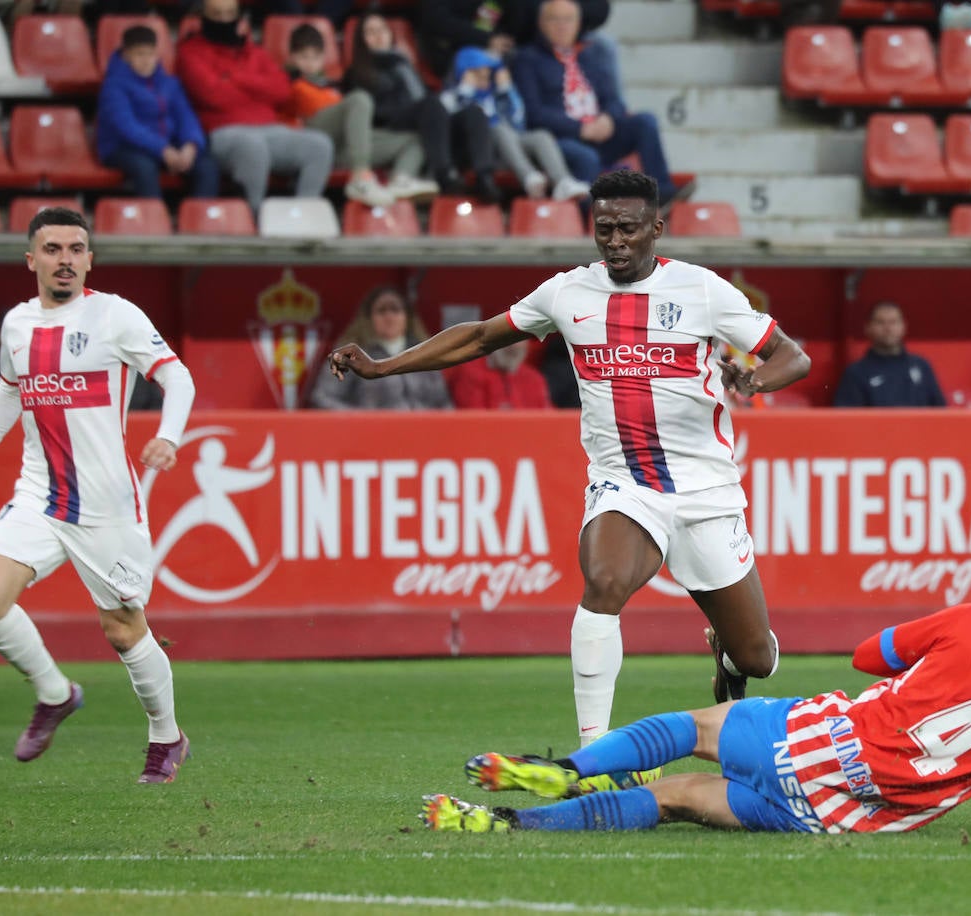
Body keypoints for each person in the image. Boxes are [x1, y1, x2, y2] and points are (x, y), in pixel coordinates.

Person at [327, 170, 811, 773]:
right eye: (604, 228)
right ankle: (594, 757)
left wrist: (753, 379)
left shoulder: (704, 291)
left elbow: (793, 355)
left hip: (707, 489)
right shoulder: (567, 293)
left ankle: (729, 660)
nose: (614, 241)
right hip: (624, 482)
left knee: (758, 656)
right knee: (604, 582)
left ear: (656, 229)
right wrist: (381, 368)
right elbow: (479, 336)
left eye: (628, 229)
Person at [422, 556, 971, 836]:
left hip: (819, 741)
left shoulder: (970, 623)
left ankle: (568, 770)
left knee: (689, 726)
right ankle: (508, 825)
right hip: (845, 815)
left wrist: (911, 671)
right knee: (678, 796)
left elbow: (868, 656)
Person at [0, 207, 195, 784]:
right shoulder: (17, 324)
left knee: (124, 630)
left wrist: (168, 436)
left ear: (89, 260)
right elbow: (10, 393)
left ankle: (167, 735)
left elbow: (177, 376)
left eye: (76, 249)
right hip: (39, 494)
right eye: (53, 249)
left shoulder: (115, 315)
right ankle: (55, 694)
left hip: (104, 505)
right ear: (32, 260)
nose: (65, 259)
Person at [512, 0, 686, 209]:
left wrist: (608, 119)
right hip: (560, 140)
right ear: (541, 23)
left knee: (645, 122)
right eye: (554, 19)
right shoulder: (526, 59)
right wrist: (580, 129)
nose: (562, 26)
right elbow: (534, 113)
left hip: (600, 133)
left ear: (578, 24)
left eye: (568, 20)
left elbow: (614, 100)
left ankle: (663, 195)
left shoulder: (591, 55)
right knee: (587, 157)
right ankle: (589, 219)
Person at [176, 0, 334, 211]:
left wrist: (232, 78)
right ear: (203, 17)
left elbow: (281, 89)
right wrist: (257, 89)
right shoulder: (190, 52)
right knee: (252, 146)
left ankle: (302, 215)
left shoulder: (254, 52)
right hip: (222, 132)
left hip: (269, 128)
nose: (224, 20)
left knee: (319, 145)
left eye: (229, 13)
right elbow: (213, 95)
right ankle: (254, 217)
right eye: (217, 14)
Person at [348, 12, 499, 200]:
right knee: (432, 105)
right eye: (370, 32)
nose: (379, 36)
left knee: (473, 112)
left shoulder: (404, 63)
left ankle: (484, 176)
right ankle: (444, 173)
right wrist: (421, 109)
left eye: (382, 30)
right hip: (393, 124)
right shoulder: (357, 71)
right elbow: (366, 113)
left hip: (428, 118)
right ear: (361, 41)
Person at [284, 24, 439, 206]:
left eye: (315, 57)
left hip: (344, 149)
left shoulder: (333, 86)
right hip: (314, 139)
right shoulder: (289, 84)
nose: (310, 63)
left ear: (324, 57)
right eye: (303, 57)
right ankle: (361, 176)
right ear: (292, 57)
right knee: (359, 99)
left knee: (413, 140)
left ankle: (401, 179)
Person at [442, 46, 591, 201]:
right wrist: (466, 89)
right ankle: (528, 176)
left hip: (511, 145)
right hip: (481, 152)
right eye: (478, 74)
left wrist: (506, 89)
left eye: (488, 74)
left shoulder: (496, 96)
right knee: (499, 129)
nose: (485, 78)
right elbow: (452, 122)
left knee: (541, 136)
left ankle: (563, 182)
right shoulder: (452, 96)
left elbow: (518, 120)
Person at [96, 25, 220, 201]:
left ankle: (199, 221)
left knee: (206, 167)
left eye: (150, 54)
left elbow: (186, 117)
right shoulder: (114, 85)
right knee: (145, 167)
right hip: (123, 148)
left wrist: (190, 146)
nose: (146, 60)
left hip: (167, 146)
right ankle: (152, 222)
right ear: (126, 55)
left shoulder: (169, 83)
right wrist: (162, 149)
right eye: (139, 54)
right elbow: (127, 127)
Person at [310, 285, 451, 410]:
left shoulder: (425, 352)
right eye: (382, 310)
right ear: (368, 318)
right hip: (372, 435)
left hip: (423, 433)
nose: (389, 316)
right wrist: (361, 420)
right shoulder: (351, 354)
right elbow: (322, 397)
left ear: (407, 317)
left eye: (395, 309)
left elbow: (444, 403)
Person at [833, 302, 946, 408]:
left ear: (903, 326)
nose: (888, 328)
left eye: (893, 322)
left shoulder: (921, 366)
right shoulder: (856, 373)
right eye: (880, 322)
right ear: (868, 328)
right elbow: (847, 421)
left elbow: (941, 413)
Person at [447, 338, 552, 408]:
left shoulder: (534, 378)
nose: (513, 346)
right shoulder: (470, 371)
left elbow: (548, 419)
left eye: (519, 340)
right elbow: (473, 418)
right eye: (508, 340)